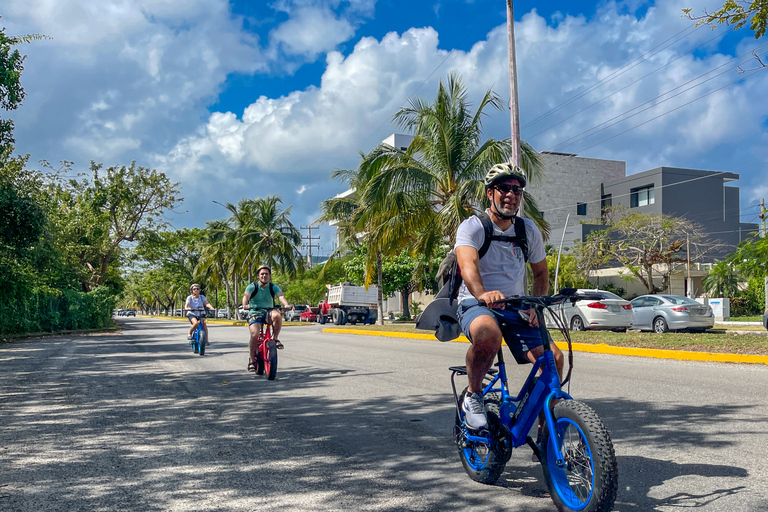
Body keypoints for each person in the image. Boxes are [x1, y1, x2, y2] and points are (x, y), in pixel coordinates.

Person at [455, 162, 560, 439]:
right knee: (489, 335)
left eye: (517, 189)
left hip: (515, 307)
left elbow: (541, 273)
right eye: (504, 188)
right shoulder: (474, 227)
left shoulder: (528, 230)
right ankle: (474, 395)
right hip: (475, 304)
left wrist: (535, 304)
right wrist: (482, 293)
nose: (511, 194)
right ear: (490, 193)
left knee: (555, 360)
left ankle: (546, 427)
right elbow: (468, 266)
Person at [242, 265, 291, 371]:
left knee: (277, 315)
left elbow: (280, 296)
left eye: (266, 274)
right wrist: (245, 305)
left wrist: (286, 304)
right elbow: (246, 297)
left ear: (269, 276)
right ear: (258, 276)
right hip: (255, 312)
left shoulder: (273, 287)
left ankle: (276, 338)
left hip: (268, 311)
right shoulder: (252, 286)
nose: (264, 276)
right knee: (254, 335)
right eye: (262, 274)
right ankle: (252, 360)